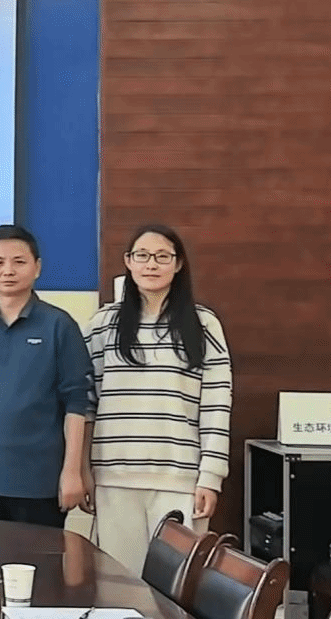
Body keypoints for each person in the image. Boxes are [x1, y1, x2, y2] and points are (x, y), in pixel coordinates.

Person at [84, 224, 232, 574]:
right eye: (142, 256)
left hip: (180, 479)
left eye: (163, 256)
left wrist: (210, 478)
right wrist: (83, 470)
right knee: (120, 583)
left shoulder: (203, 324)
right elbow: (87, 402)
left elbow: (217, 405)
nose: (151, 264)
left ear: (178, 264)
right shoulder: (103, 324)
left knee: (177, 584)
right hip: (114, 478)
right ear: (128, 262)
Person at [0, 224, 91, 528]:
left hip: (41, 483)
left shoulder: (59, 325)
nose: (8, 270)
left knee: (40, 560)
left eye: (19, 261)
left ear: (37, 267)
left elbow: (77, 403)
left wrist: (73, 472)